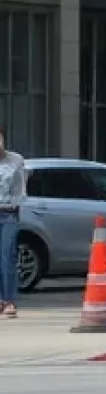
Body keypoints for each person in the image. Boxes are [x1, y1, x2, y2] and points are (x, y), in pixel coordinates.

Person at [0, 128, 24, 317]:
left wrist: (12, 206)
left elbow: (19, 191)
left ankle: (9, 301)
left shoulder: (15, 160)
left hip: (8, 214)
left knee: (7, 256)